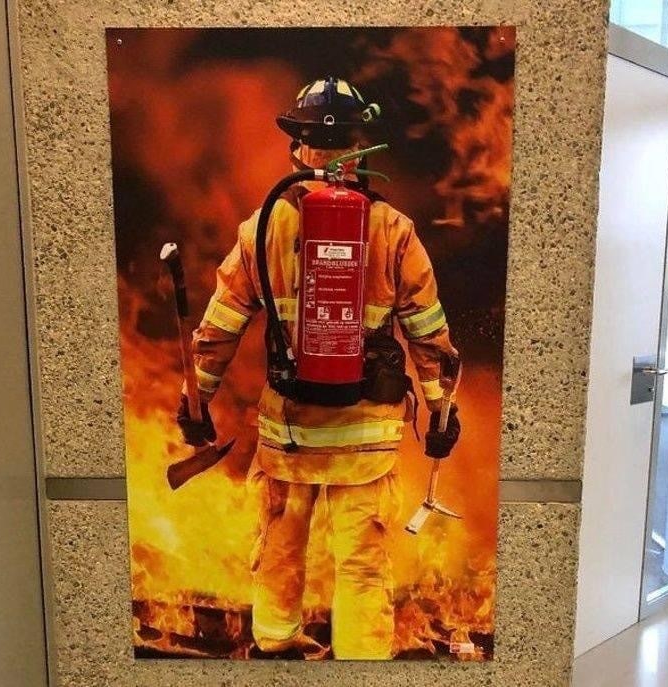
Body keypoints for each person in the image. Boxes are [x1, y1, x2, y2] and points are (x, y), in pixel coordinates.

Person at [177, 77, 460, 660]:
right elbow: (429, 334)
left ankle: (276, 648)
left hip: (289, 435)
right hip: (368, 440)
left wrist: (196, 402)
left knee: (280, 549)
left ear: (298, 148)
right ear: (360, 146)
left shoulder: (261, 228)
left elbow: (219, 326)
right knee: (362, 566)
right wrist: (440, 411)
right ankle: (361, 663)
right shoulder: (394, 230)